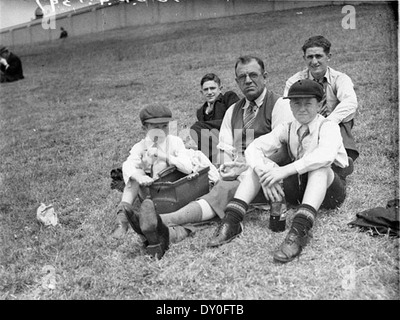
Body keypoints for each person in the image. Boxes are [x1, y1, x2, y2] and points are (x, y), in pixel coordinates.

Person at [127, 55, 294, 258]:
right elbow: (223, 149)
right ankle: (171, 234)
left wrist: (247, 168)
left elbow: (285, 151)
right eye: (242, 77)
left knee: (221, 192)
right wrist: (226, 167)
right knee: (216, 192)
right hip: (238, 175)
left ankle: (163, 220)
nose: (248, 80)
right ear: (236, 82)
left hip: (269, 176)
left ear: (265, 76)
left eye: (253, 75)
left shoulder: (279, 105)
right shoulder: (233, 111)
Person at [209, 79, 349, 263]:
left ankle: (299, 231)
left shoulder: (327, 126)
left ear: (320, 104)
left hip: (329, 192)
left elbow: (325, 156)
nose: (302, 108)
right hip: (298, 190)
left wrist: (282, 172)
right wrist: (262, 171)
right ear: (289, 106)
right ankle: (232, 220)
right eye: (296, 103)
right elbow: (254, 148)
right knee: (259, 165)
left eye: (308, 103)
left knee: (319, 169)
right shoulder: (288, 127)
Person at [111, 105, 219, 259]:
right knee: (133, 176)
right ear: (144, 128)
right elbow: (128, 165)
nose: (161, 131)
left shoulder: (174, 142)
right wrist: (139, 176)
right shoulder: (140, 147)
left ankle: (151, 219)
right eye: (155, 127)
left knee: (166, 165)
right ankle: (122, 220)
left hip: (171, 189)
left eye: (165, 126)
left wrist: (164, 156)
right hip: (150, 189)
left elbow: (188, 167)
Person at [284, 35, 359, 163]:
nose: (314, 62)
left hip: (333, 123)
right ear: (304, 58)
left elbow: (350, 102)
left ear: (328, 56)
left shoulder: (340, 78)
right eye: (310, 57)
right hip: (305, 121)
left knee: (346, 117)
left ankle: (342, 158)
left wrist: (326, 124)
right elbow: (287, 107)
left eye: (318, 56)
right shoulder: (295, 81)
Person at [190, 73, 239, 164]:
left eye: (212, 88)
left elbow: (235, 119)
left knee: (196, 127)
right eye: (206, 90)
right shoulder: (201, 112)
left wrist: (203, 126)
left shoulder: (228, 98)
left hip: (231, 139)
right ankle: (213, 162)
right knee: (197, 130)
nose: (209, 92)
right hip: (213, 149)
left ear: (220, 89)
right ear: (202, 92)